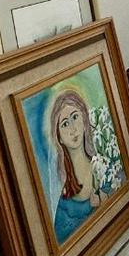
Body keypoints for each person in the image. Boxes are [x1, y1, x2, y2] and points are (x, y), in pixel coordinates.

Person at [49, 85, 106, 244]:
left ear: (85, 119)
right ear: (59, 137)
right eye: (65, 124)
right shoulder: (64, 200)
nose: (73, 129)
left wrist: (105, 200)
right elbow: (63, 242)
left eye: (75, 117)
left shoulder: (104, 167)